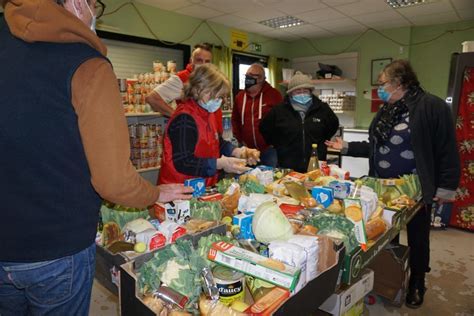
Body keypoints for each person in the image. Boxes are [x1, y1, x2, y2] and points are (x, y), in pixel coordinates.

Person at [0, 1, 192, 315]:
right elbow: (113, 181)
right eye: (95, 6)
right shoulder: (86, 64)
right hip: (58, 245)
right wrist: (155, 193)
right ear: (78, 2)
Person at [325, 59, 460, 309]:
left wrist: (445, 188)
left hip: (415, 189)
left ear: (400, 82)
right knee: (387, 235)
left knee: (419, 237)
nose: (379, 88)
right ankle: (392, 275)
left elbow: (446, 149)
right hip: (384, 187)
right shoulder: (388, 110)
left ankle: (417, 282)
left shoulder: (432, 106)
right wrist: (345, 147)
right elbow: (376, 148)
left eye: (382, 83)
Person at [159, 64, 260, 186]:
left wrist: (238, 151)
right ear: (197, 89)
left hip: (202, 185)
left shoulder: (208, 112)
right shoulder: (184, 118)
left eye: (220, 97)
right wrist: (219, 164)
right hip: (179, 188)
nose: (218, 100)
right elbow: (183, 162)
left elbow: (216, 142)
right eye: (214, 95)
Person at [260, 71, 339, 172]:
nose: (302, 94)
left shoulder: (322, 108)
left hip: (316, 165)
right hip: (287, 165)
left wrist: (321, 140)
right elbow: (265, 128)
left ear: (310, 91)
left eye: (305, 90)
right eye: (298, 91)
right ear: (291, 93)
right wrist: (278, 144)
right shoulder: (279, 110)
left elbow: (333, 125)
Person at [145, 43, 224, 134]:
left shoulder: (211, 79)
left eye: (207, 61)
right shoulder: (181, 78)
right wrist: (180, 118)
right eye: (199, 60)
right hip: (194, 136)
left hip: (213, 134)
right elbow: (152, 98)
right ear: (191, 61)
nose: (203, 64)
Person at [232, 63, 283, 167]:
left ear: (261, 79)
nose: (248, 78)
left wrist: (276, 142)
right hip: (248, 151)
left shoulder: (274, 95)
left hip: (269, 150)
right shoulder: (240, 97)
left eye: (252, 75)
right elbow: (235, 120)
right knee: (249, 179)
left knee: (270, 179)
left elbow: (282, 120)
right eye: (247, 75)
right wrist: (240, 140)